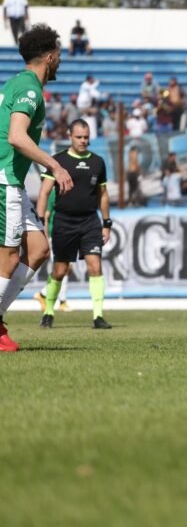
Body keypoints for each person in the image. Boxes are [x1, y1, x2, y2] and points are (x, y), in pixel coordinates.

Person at [0, 24, 75, 352]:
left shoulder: (17, 82)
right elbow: (17, 136)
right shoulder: (30, 89)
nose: (59, 61)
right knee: (8, 257)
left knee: (39, 249)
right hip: (5, 180)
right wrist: (55, 165)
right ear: (50, 56)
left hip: (10, 180)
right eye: (58, 55)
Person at [36, 120, 112, 329]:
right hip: (63, 222)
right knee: (60, 270)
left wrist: (106, 223)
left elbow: (103, 195)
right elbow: (43, 193)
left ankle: (98, 316)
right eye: (79, 137)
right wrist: (41, 222)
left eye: (86, 137)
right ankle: (48, 311)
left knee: (95, 266)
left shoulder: (98, 162)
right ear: (70, 136)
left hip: (89, 221)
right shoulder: (57, 161)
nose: (83, 141)